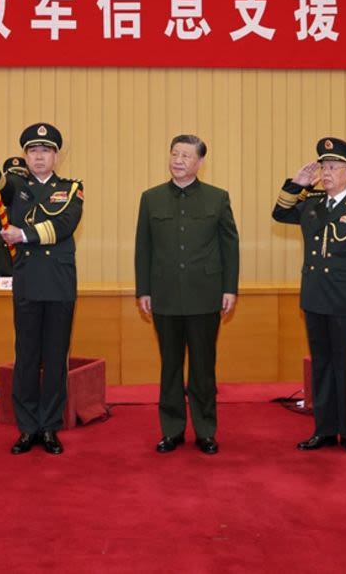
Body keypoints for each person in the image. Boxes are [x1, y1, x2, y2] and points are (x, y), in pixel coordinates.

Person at [0, 124, 83, 455]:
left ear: (56, 156)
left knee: (54, 359)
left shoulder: (71, 188)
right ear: (25, 155)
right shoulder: (16, 186)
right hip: (27, 281)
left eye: (46, 151)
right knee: (26, 358)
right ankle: (27, 428)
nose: (39, 156)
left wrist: (23, 235)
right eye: (33, 151)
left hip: (59, 284)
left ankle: (49, 427)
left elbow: (65, 225)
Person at [271, 137, 346, 455]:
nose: (327, 172)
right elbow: (279, 213)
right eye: (323, 166)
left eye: (333, 167)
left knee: (344, 367)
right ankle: (324, 430)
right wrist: (297, 184)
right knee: (321, 365)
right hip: (315, 296)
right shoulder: (312, 203)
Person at [135, 134, 239, 455]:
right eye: (174, 154)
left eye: (186, 156)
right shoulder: (151, 198)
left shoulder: (217, 198)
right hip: (164, 295)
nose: (178, 160)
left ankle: (206, 430)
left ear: (200, 162)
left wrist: (229, 289)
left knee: (203, 368)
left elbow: (229, 247)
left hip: (204, 295)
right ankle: (172, 430)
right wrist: (144, 290)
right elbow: (144, 247)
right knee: (170, 366)